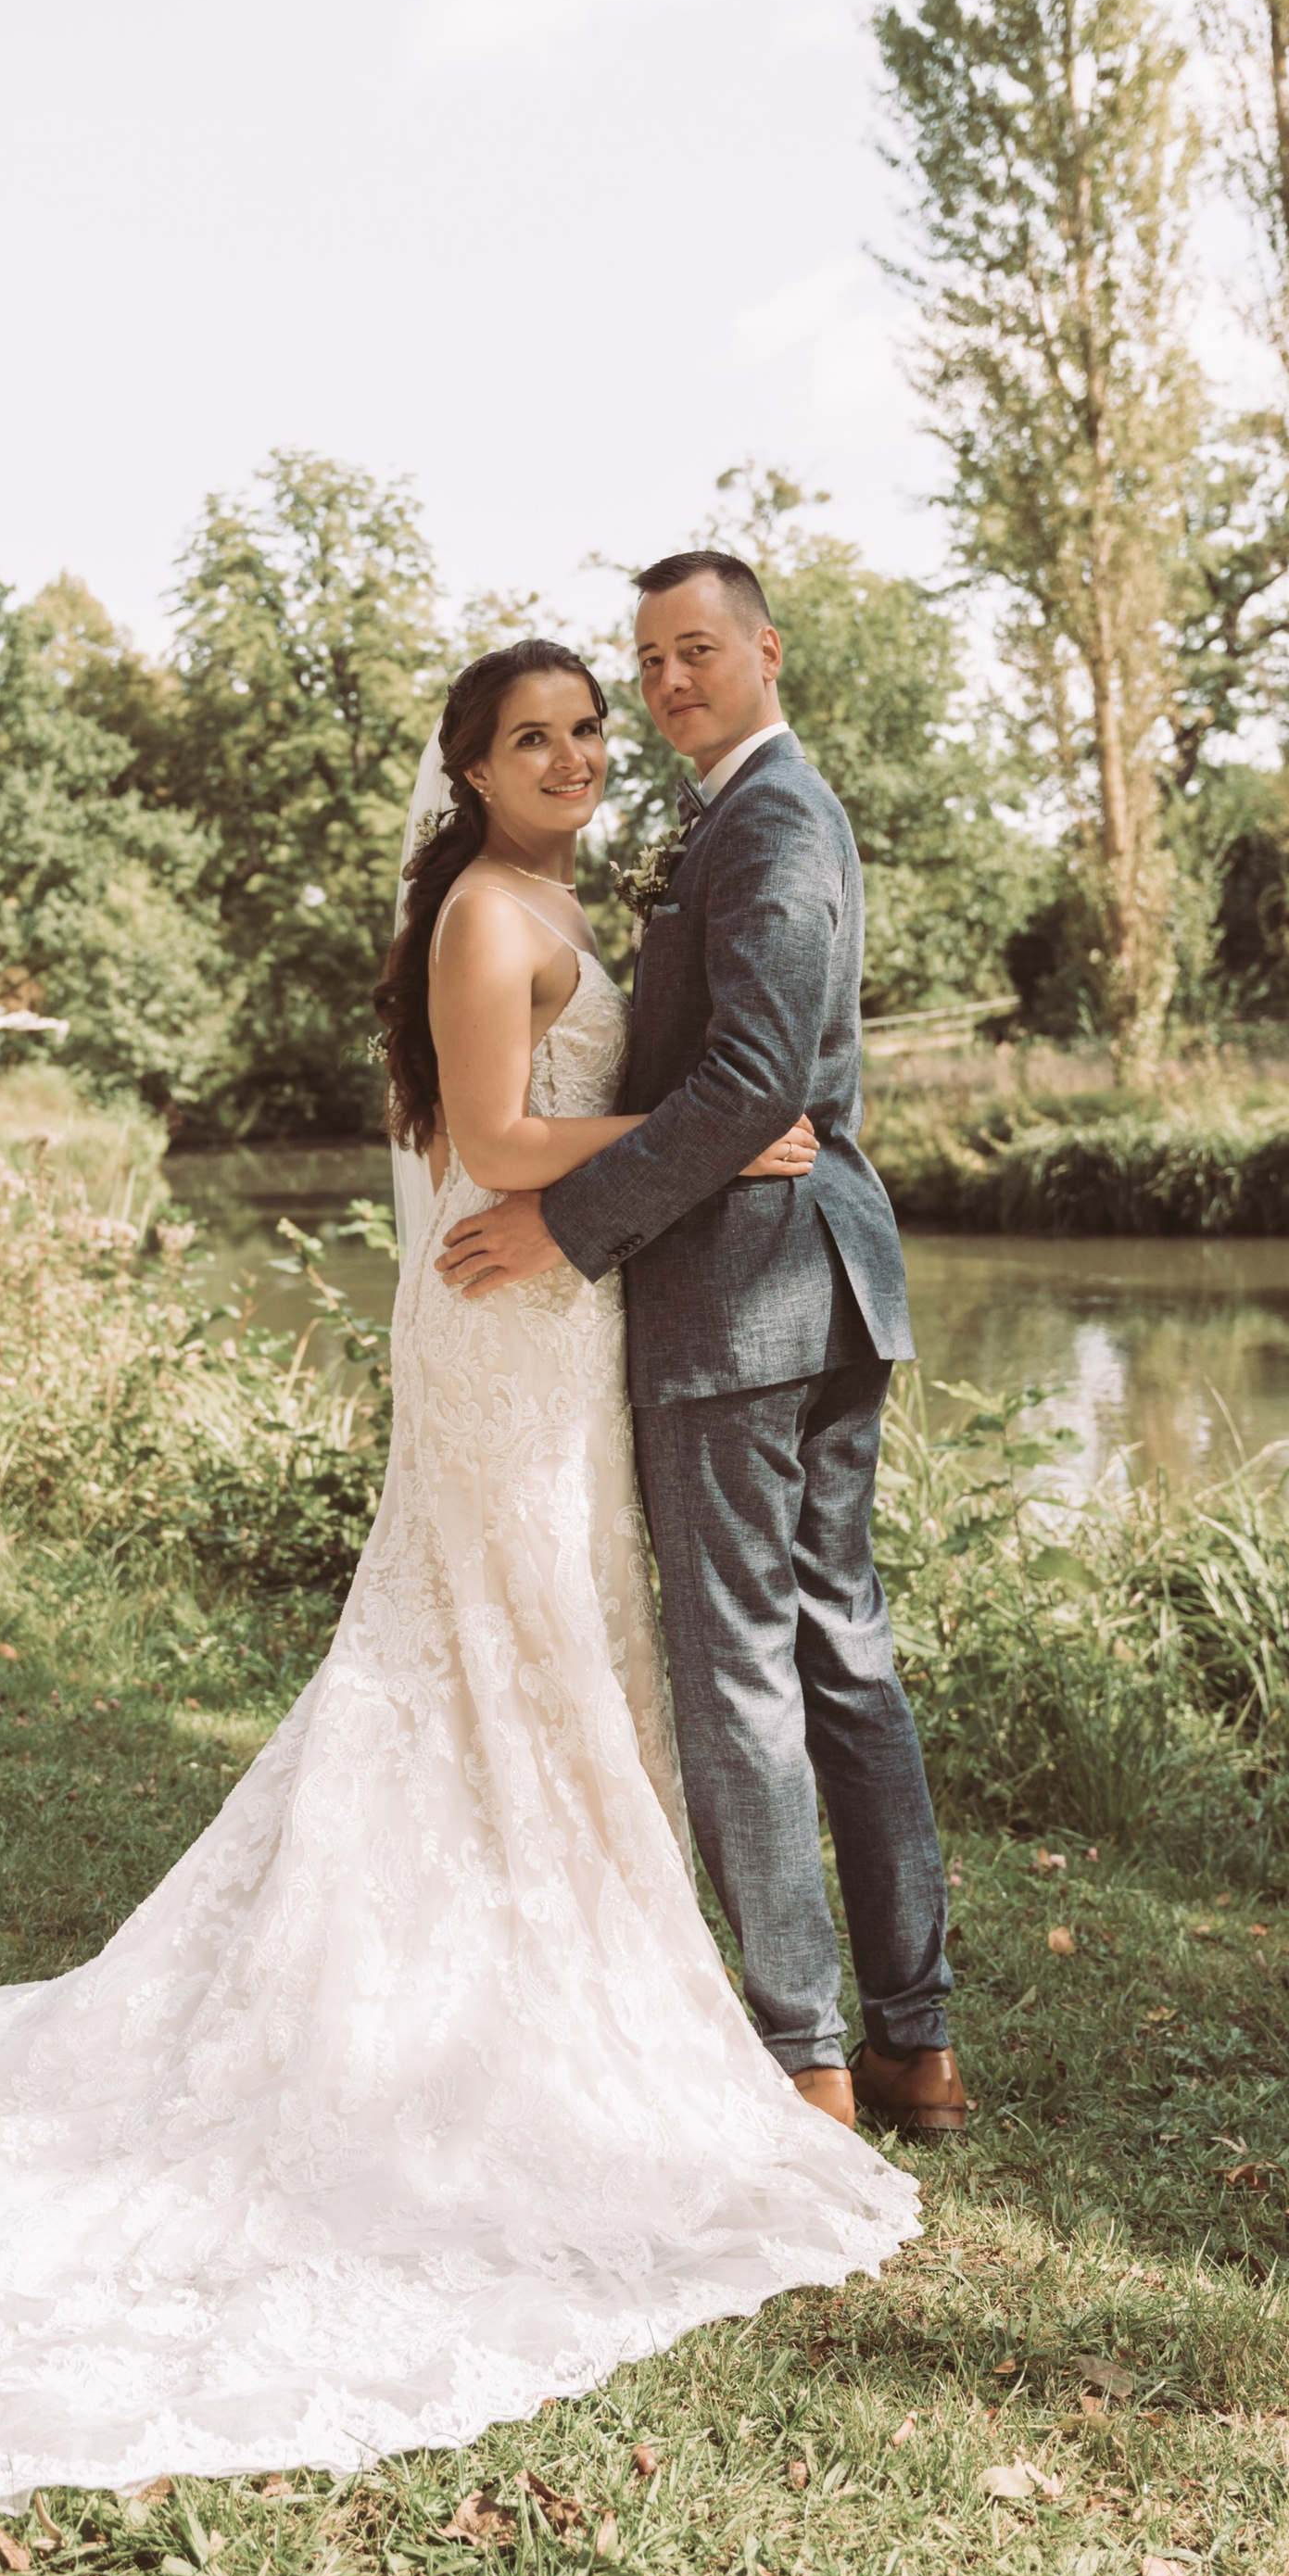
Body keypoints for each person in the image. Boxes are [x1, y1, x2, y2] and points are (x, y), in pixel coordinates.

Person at [0, 634, 916, 2514]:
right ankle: (500, 1997)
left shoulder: (542, 892)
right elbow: (488, 1141)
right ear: (465, 769)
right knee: (502, 1640)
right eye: (528, 734)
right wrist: (696, 1143)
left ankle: (558, 1957)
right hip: (509, 1316)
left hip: (547, 1320)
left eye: (583, 726)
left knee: (541, 1643)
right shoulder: (484, 910)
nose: (568, 751)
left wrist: (648, 1165)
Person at [438, 560, 968, 2143]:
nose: (668, 683)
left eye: (696, 652)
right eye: (649, 658)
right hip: (811, 1286)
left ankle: (809, 2052)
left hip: (749, 1302)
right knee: (835, 1647)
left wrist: (567, 1224)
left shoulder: (776, 819)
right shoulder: (737, 816)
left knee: (750, 1664)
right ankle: (913, 2046)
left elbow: (752, 1083)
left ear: (763, 652)